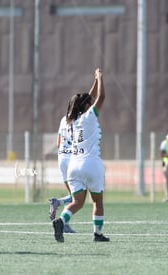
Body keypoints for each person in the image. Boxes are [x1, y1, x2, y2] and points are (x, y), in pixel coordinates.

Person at [52, 68, 109, 242]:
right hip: (90, 164)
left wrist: (94, 82)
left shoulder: (71, 119)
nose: (91, 103)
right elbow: (100, 98)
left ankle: (61, 221)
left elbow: (87, 98)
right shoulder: (89, 117)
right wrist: (99, 79)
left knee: (77, 202)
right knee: (97, 202)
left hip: (73, 167)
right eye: (88, 102)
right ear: (86, 106)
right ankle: (98, 234)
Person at [48, 106, 76, 233]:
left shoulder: (63, 119)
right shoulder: (79, 121)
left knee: (74, 195)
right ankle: (63, 222)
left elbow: (59, 143)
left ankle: (58, 206)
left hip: (62, 159)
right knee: (77, 196)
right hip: (73, 160)